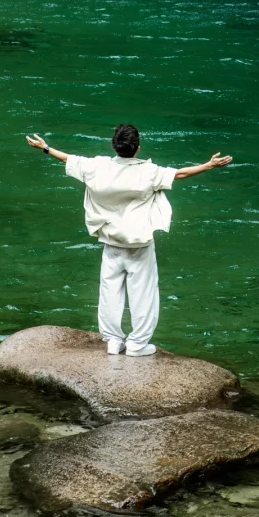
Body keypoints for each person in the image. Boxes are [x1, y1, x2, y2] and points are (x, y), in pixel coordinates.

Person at [26, 123, 232, 356]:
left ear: (114, 146)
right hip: (139, 245)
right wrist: (209, 165)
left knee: (109, 292)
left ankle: (113, 341)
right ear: (138, 148)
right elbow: (180, 174)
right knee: (143, 293)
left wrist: (45, 148)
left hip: (111, 243)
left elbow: (69, 159)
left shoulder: (97, 167)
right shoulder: (149, 171)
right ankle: (137, 344)